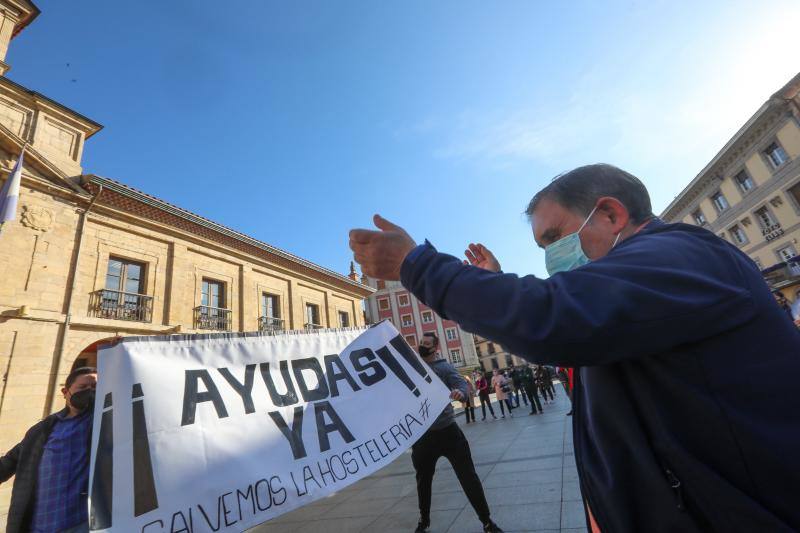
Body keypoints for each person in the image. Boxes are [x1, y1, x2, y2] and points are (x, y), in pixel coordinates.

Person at [349, 163, 800, 532]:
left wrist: (417, 265)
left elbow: (552, 317)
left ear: (610, 215)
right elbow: (573, 340)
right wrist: (493, 284)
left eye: (554, 238)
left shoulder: (683, 255)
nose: (552, 256)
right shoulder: (645, 284)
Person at [411, 333, 502, 533]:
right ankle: (423, 521)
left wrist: (460, 393)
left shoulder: (444, 367)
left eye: (427, 344)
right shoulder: (412, 367)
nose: (423, 346)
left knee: (468, 477)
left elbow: (461, 384)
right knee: (423, 481)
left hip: (448, 432)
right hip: (423, 437)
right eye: (421, 343)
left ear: (435, 348)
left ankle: (487, 522)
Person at [0, 366, 97, 533]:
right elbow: (9, 462)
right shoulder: (43, 429)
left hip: (81, 524)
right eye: (83, 387)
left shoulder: (101, 423)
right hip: (38, 525)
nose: (90, 392)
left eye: (95, 387)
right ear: (66, 392)